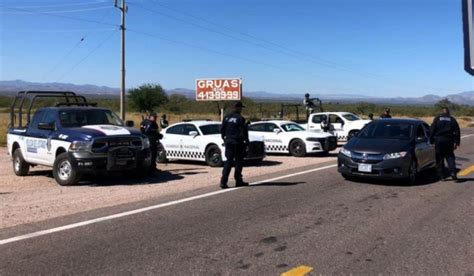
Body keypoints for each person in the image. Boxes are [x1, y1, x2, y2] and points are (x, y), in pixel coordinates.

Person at [220, 101, 249, 189]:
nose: (241, 110)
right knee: (239, 162)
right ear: (238, 108)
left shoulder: (226, 118)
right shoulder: (240, 118)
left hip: (228, 142)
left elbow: (222, 130)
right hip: (237, 142)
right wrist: (247, 142)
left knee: (228, 162)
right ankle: (238, 180)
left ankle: (223, 182)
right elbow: (243, 132)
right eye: (240, 108)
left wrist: (224, 139)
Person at [430, 107, 461, 181]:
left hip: (439, 141)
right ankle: (453, 173)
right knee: (450, 157)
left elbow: (432, 130)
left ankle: (441, 176)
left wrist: (431, 141)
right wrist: (457, 142)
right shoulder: (452, 119)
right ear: (448, 112)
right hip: (449, 141)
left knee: (439, 159)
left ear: (441, 112)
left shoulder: (437, 119)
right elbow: (457, 131)